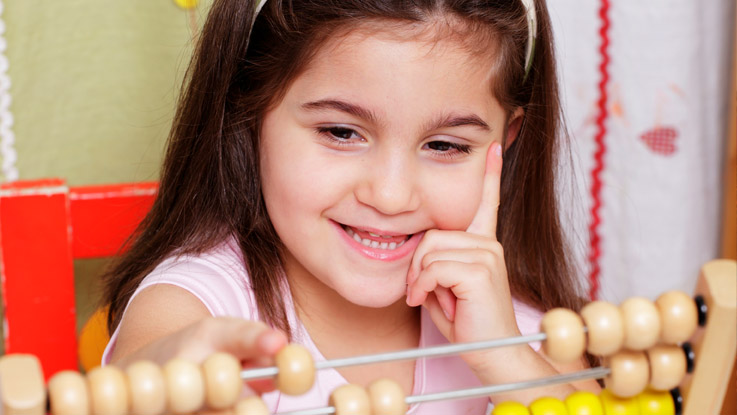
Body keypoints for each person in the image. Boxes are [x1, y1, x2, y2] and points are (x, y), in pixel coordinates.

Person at [102, 0, 600, 412]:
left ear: (505, 142)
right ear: (249, 114)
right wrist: (174, 381)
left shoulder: (525, 336)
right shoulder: (201, 301)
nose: (390, 195)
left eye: (445, 145)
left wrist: (504, 358)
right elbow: (148, 368)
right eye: (341, 132)